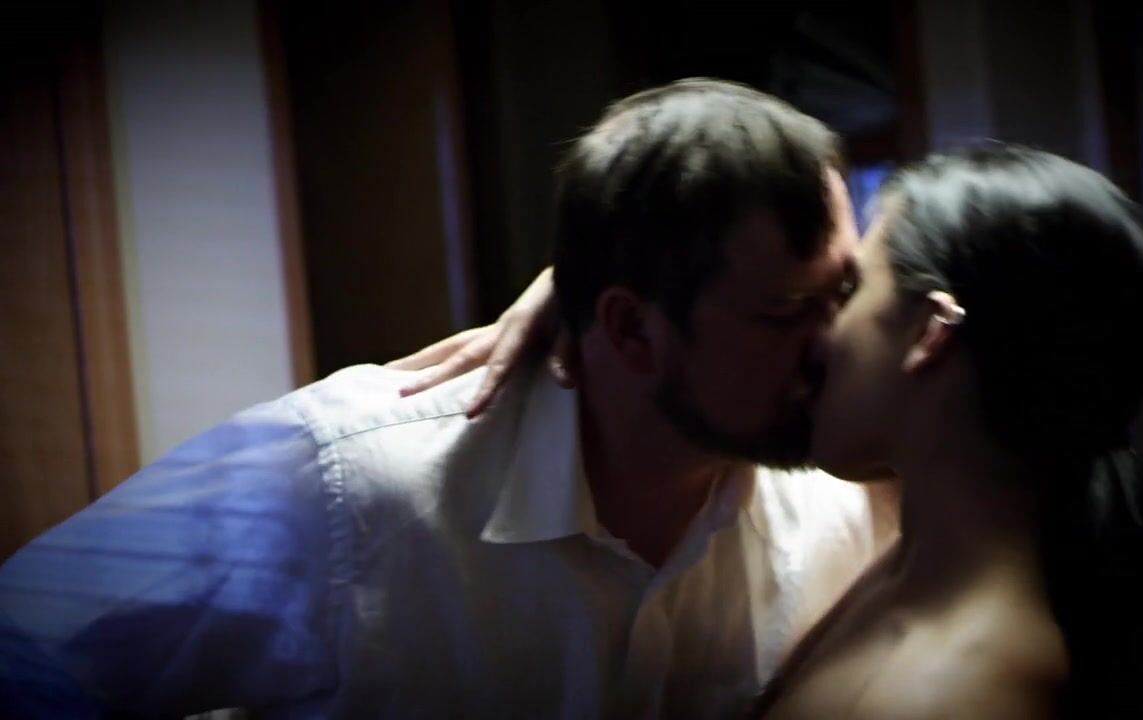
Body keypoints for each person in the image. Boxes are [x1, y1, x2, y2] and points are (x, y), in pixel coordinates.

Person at [0, 79, 896, 718]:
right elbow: (26, 641)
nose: (835, 342)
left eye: (846, 294)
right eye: (787, 311)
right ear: (629, 328)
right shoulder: (346, 485)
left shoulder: (833, 515)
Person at [402, 145, 1143, 717]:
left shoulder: (950, 689)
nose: (816, 336)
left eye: (848, 292)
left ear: (930, 334)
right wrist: (612, 297)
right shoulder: (925, 536)